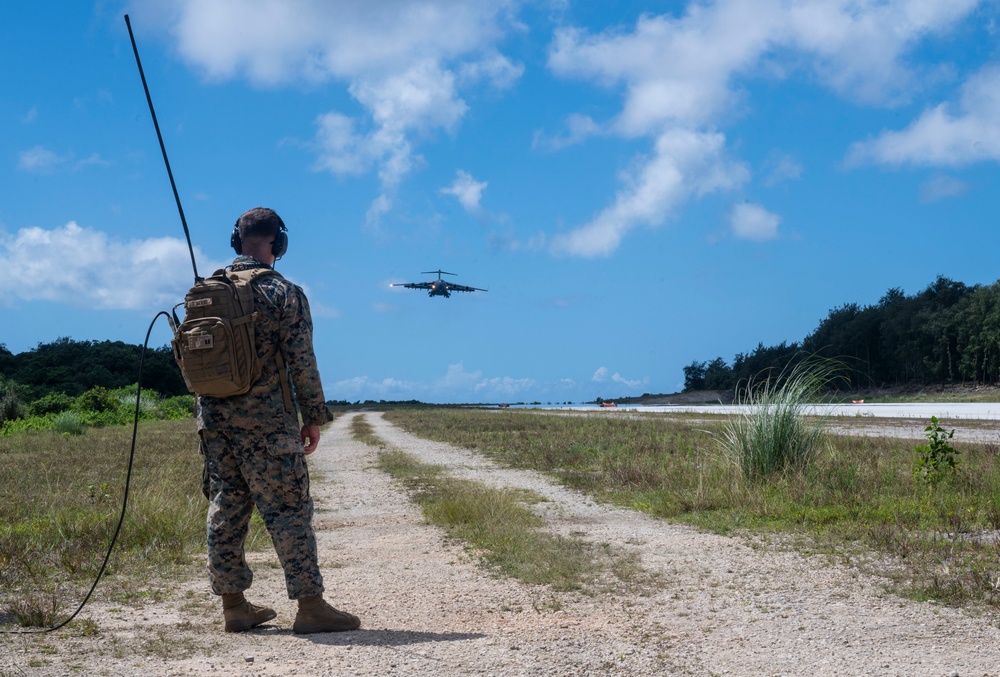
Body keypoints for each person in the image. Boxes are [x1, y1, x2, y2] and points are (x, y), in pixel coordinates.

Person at [196, 207, 359, 634]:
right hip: (267, 424)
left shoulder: (204, 290)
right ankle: (310, 606)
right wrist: (313, 417)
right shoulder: (282, 292)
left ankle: (234, 605)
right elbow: (301, 361)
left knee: (226, 506)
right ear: (278, 243)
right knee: (288, 510)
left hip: (213, 422)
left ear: (238, 241)